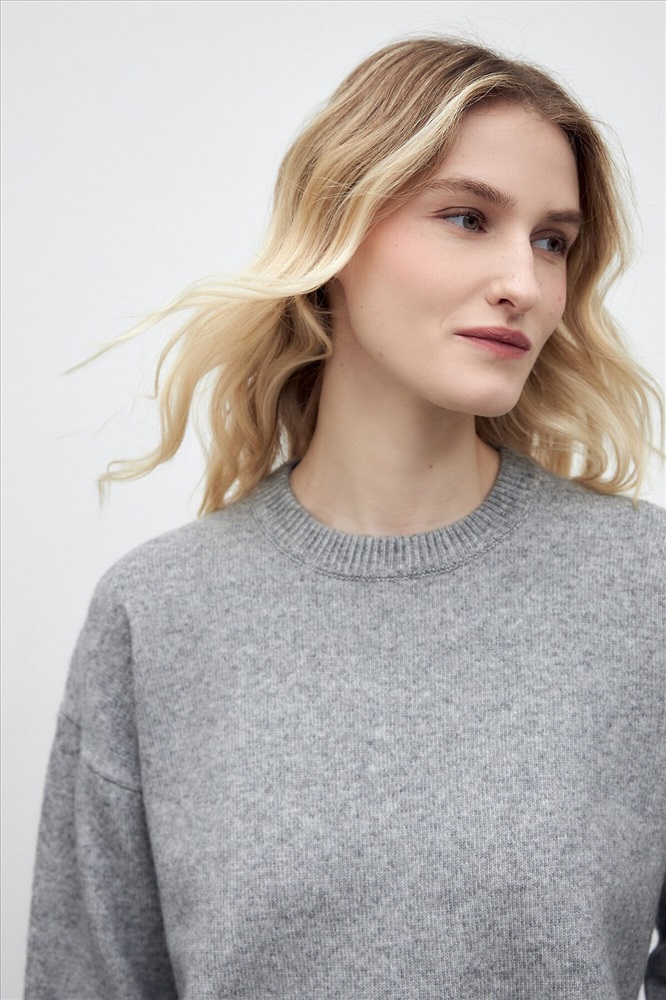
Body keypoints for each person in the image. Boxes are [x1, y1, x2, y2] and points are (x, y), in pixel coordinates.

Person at [25, 36, 665, 1000]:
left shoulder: (644, 589)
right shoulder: (158, 614)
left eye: (552, 241)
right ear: (337, 229)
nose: (526, 284)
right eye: (467, 218)